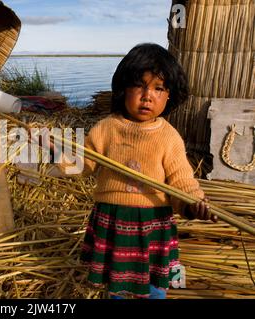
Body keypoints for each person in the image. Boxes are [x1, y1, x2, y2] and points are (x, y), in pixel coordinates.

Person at [44, 43, 217, 299]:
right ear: (124, 88)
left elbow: (182, 181)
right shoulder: (105, 129)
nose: (147, 95)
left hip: (153, 223)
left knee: (154, 285)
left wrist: (193, 204)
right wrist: (55, 150)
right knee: (118, 284)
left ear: (170, 95)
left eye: (158, 88)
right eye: (139, 85)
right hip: (113, 220)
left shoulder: (168, 138)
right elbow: (83, 164)